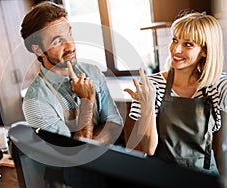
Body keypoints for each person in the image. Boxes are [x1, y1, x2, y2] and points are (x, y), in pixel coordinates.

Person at [124, 11, 227, 175]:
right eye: (175, 40)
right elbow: (147, 149)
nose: (176, 49)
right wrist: (148, 106)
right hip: (164, 178)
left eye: (188, 44)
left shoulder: (216, 84)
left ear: (205, 51)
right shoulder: (151, 85)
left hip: (206, 179)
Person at [20, 1, 123, 145]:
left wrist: (87, 144)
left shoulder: (92, 72)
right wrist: (87, 102)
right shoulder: (35, 102)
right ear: (38, 50)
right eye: (57, 41)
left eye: (69, 34)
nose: (71, 46)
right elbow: (71, 153)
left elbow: (114, 124)